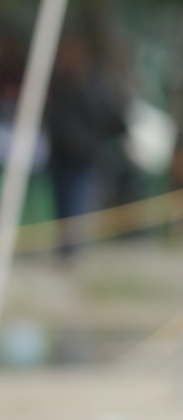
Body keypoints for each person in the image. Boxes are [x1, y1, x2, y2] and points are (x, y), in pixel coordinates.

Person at [44, 33, 126, 266]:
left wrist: (91, 141)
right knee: (63, 205)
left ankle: (74, 252)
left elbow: (114, 119)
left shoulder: (93, 85)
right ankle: (66, 250)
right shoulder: (59, 85)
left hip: (84, 159)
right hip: (61, 158)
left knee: (78, 204)